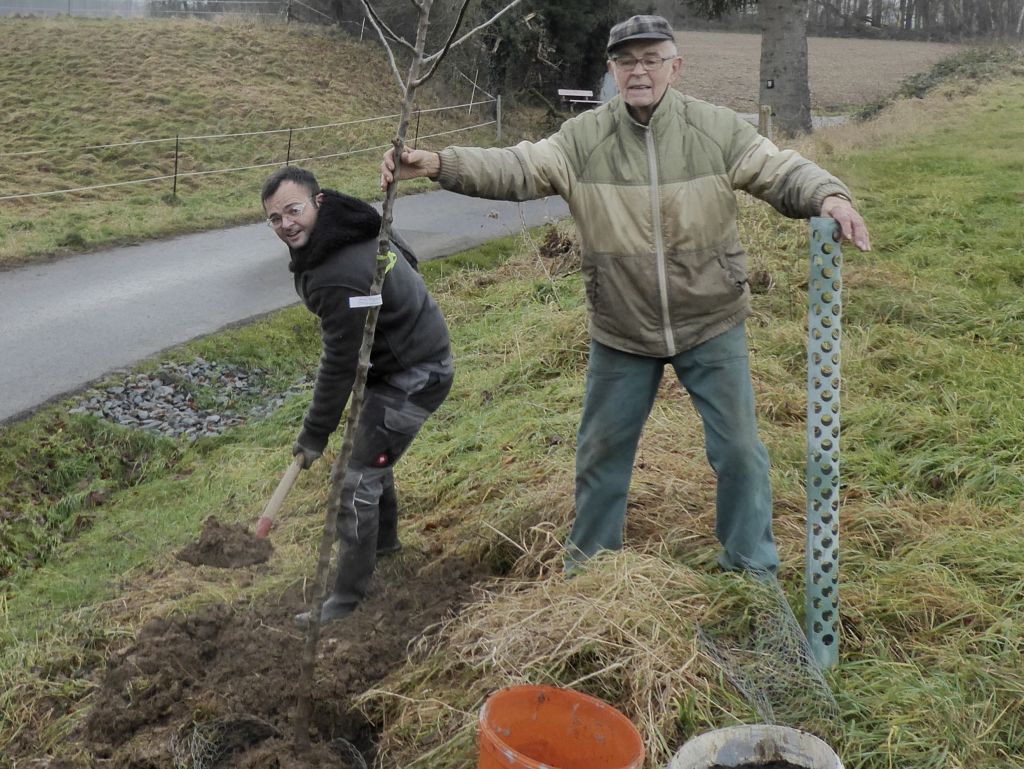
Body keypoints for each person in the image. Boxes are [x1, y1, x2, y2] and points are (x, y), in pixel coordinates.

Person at [380, 15, 870, 577]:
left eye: (651, 59)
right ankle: (589, 574)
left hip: (710, 318)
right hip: (621, 328)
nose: (639, 70)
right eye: (627, 61)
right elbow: (517, 168)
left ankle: (751, 570)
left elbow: (780, 170)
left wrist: (829, 197)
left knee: (739, 454)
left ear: (674, 66)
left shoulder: (716, 129)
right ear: (613, 70)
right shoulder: (583, 139)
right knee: (600, 457)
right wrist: (439, 164)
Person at [261, 166, 454, 624]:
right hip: (400, 361)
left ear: (318, 202)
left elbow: (339, 365)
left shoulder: (336, 275)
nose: (286, 224)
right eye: (274, 218)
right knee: (371, 457)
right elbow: (403, 253)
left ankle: (348, 600)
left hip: (414, 374)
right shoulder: (355, 220)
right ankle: (383, 547)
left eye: (294, 210)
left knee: (355, 477)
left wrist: (314, 435)